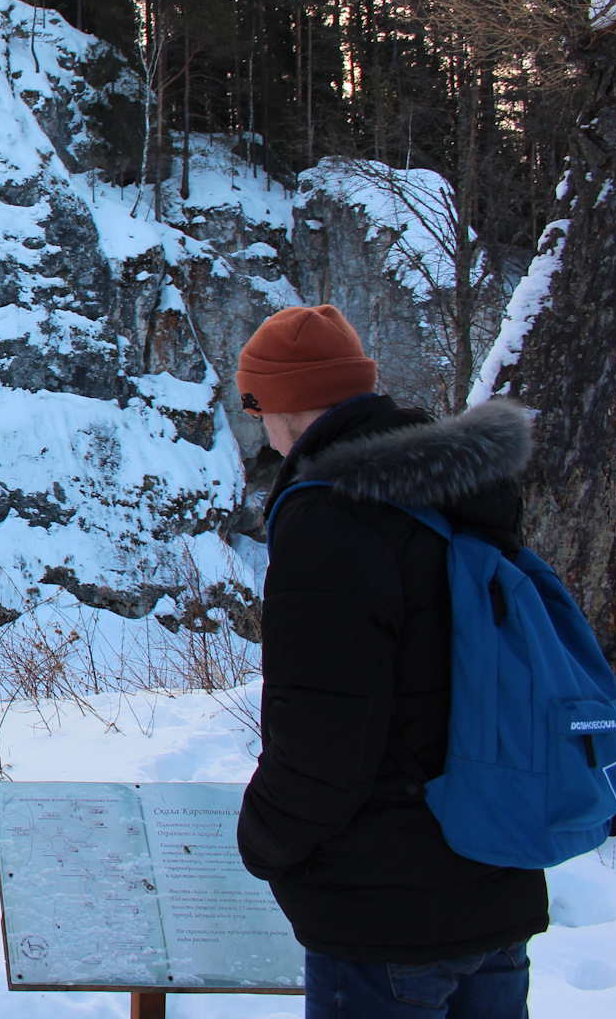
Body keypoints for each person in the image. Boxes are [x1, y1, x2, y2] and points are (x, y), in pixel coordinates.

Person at [233, 305, 546, 1019]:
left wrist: (262, 840)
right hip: (495, 878)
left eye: (255, 404)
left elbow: (323, 736)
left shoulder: (329, 520)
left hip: (385, 915)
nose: (259, 426)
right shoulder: (461, 494)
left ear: (278, 404)